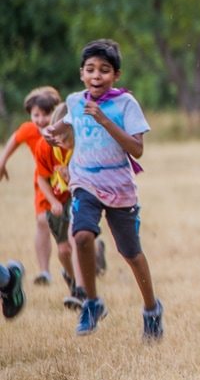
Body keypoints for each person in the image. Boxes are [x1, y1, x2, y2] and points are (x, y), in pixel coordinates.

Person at [47, 39, 164, 340]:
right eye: (90, 70)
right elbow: (67, 125)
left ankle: (151, 309)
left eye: (104, 70)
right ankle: (92, 302)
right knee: (82, 236)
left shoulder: (125, 104)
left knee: (131, 252)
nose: (97, 76)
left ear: (116, 75)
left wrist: (104, 119)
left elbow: (136, 149)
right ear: (82, 74)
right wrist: (52, 132)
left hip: (120, 187)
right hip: (84, 181)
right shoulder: (75, 101)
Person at [0, 86, 62, 285]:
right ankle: (44, 271)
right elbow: (12, 142)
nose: (42, 120)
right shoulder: (28, 130)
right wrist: (2, 162)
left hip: (68, 181)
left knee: (75, 229)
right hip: (44, 181)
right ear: (30, 115)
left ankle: (94, 254)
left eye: (47, 114)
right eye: (37, 115)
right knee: (42, 221)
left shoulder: (64, 129)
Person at [34, 104, 88, 310]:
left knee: (77, 241)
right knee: (64, 250)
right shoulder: (44, 146)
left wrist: (73, 177)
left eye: (69, 139)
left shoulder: (83, 146)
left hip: (77, 196)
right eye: (61, 139)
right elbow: (42, 179)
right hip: (56, 200)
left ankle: (81, 291)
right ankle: (72, 279)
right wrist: (54, 202)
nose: (65, 144)